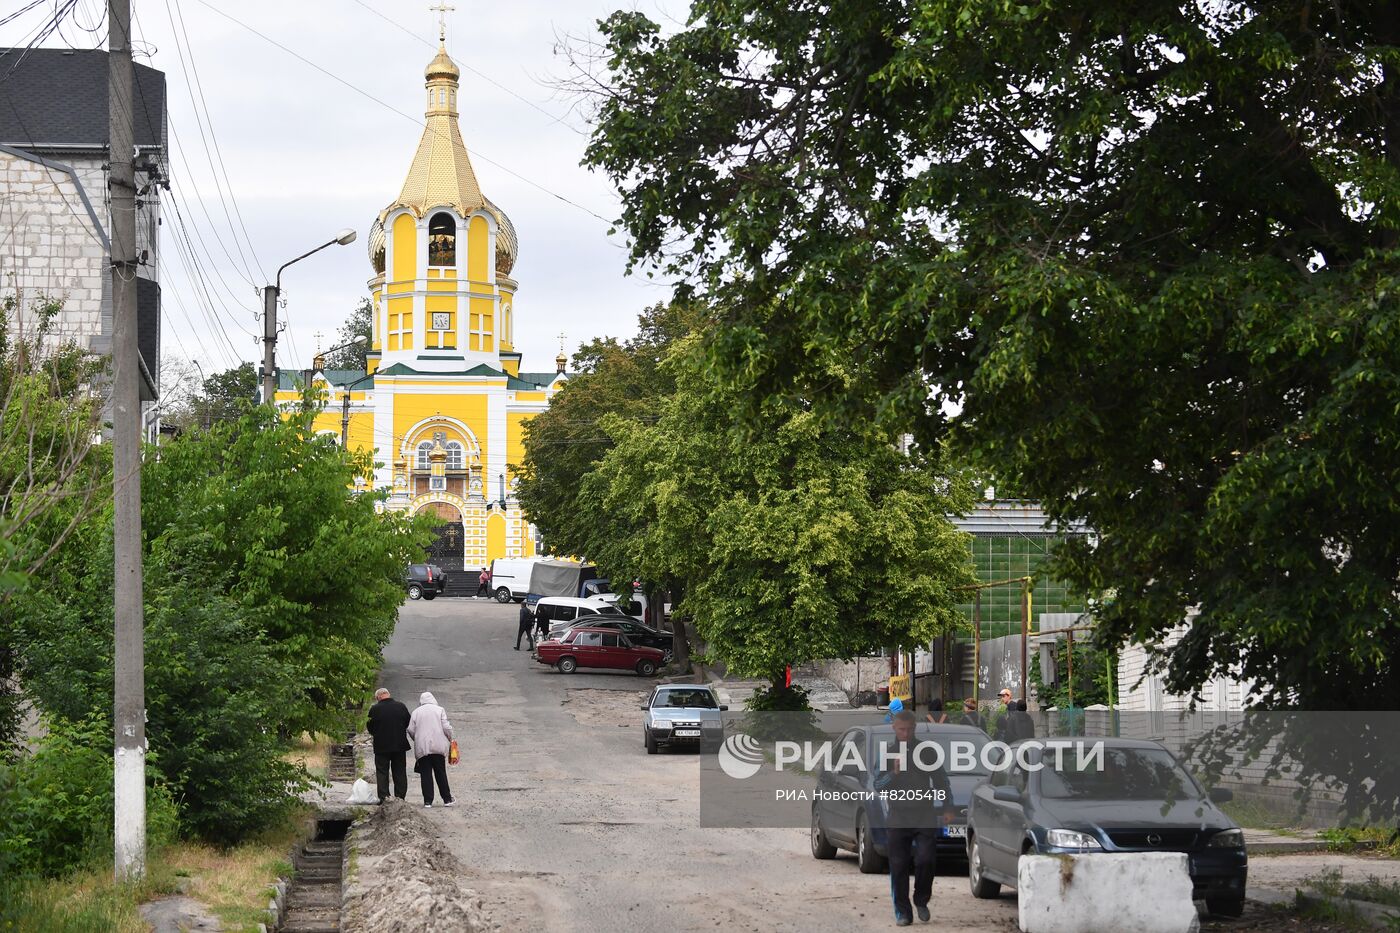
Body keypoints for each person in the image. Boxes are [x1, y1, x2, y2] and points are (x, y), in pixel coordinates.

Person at [876, 710, 952, 926]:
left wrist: (948, 807)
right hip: (898, 816)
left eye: (909, 729)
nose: (905, 733)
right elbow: (878, 785)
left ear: (914, 728)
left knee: (926, 860)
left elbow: (941, 780)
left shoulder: (926, 751)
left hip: (924, 814)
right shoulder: (888, 752)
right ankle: (903, 912)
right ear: (894, 728)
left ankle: (921, 900)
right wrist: (894, 773)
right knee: (898, 866)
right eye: (901, 729)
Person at [408, 691, 455, 808]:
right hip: (438, 747)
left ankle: (428, 801)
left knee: (425, 774)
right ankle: (447, 799)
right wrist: (450, 737)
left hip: (422, 748)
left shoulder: (416, 712)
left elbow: (410, 729)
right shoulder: (439, 710)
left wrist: (417, 739)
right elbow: (446, 727)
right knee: (441, 773)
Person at [365, 687, 411, 803]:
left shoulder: (375, 709)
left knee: (382, 772)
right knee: (400, 771)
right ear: (388, 695)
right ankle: (400, 797)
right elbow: (408, 722)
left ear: (378, 697)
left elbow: (370, 727)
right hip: (399, 745)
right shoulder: (401, 706)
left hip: (381, 746)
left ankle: (384, 797)